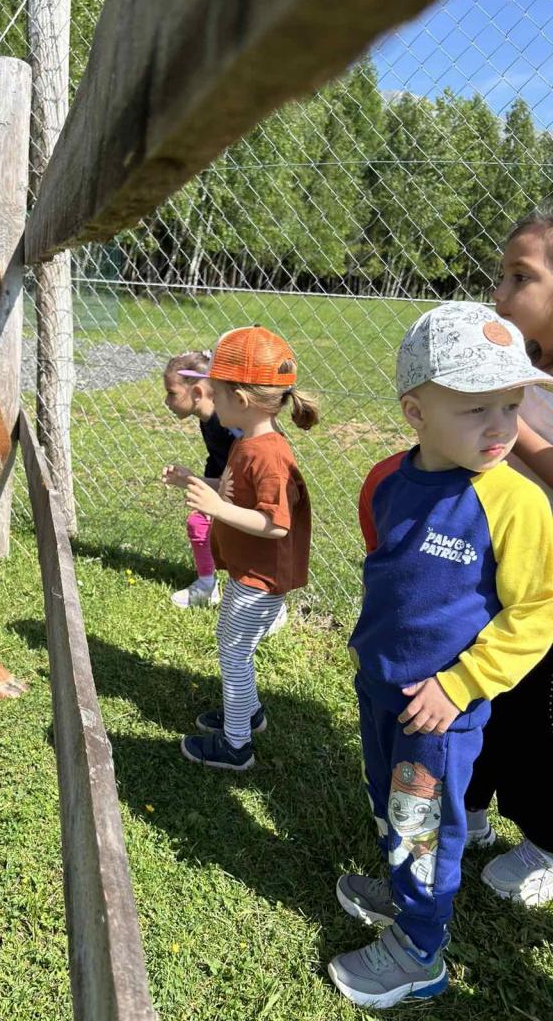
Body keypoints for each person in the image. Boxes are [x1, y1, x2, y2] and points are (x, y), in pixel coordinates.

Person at [328, 302, 553, 1009]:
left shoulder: (516, 503)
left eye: (511, 404)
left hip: (441, 713)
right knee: (391, 806)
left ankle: (419, 951)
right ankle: (403, 892)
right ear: (416, 413)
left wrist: (461, 685)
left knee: (424, 827)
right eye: (476, 407)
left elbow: (537, 612)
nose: (501, 426)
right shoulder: (392, 482)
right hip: (381, 687)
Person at [163, 325, 317, 770]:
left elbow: (275, 524)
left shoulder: (268, 455)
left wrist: (216, 508)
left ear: (242, 400)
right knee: (232, 645)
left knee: (233, 652)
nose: (210, 401)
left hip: (261, 579)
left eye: (216, 392)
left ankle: (236, 746)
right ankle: (248, 715)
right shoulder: (247, 443)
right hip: (247, 572)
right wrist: (194, 480)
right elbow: (233, 492)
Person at [461, 206, 553, 905]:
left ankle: (546, 844)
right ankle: (470, 809)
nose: (499, 293)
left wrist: (507, 424)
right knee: (487, 692)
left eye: (520, 276)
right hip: (497, 567)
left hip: (549, 593)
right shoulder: (520, 368)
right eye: (501, 276)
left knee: (538, 722)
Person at [162, 350, 238, 609]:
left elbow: (240, 470)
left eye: (172, 393)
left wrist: (196, 482)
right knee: (199, 522)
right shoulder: (208, 420)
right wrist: (195, 480)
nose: (167, 401)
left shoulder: (227, 424)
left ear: (196, 393)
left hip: (244, 491)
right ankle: (207, 585)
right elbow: (218, 462)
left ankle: (257, 596)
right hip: (226, 484)